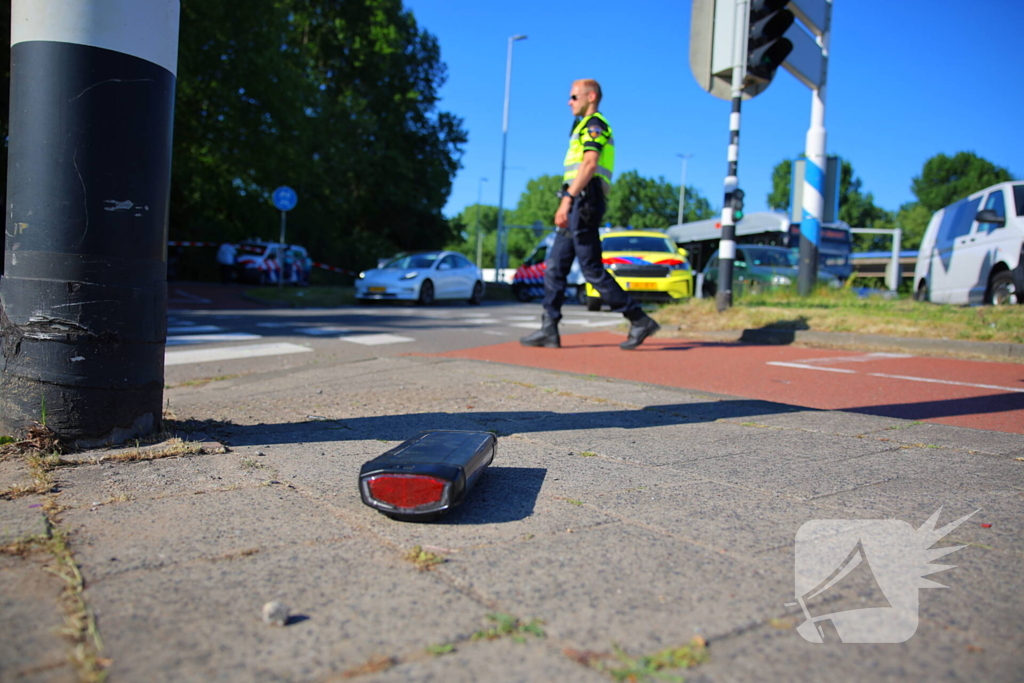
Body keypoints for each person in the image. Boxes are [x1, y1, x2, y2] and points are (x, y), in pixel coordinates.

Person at [520, 79, 660, 350]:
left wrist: (568, 199)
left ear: (591, 96)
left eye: (574, 96)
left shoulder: (595, 125)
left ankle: (638, 318)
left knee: (591, 269)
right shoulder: (582, 126)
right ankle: (549, 328)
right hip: (577, 201)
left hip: (584, 201)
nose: (569, 102)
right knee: (555, 267)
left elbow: (590, 163)